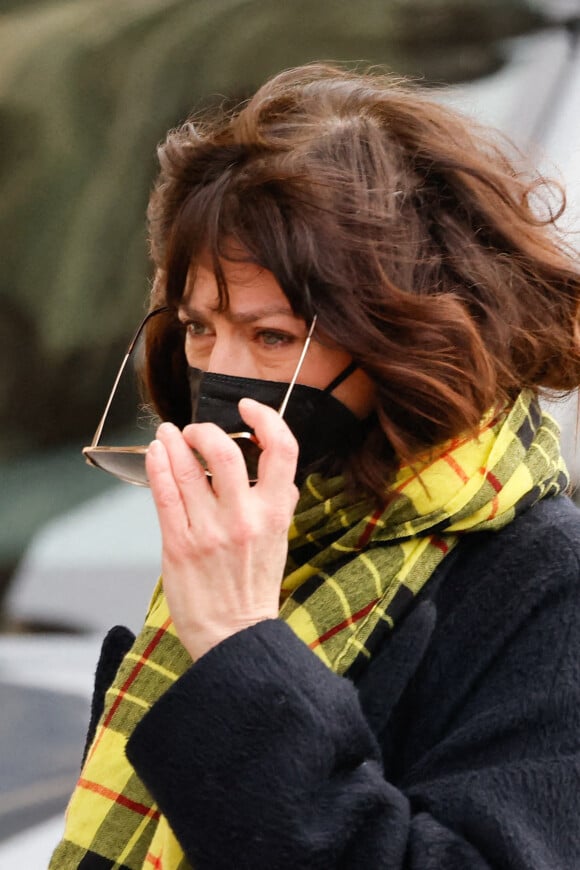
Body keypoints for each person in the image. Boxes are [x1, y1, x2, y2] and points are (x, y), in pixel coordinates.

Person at [51, 63, 580, 869]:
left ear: (401, 337)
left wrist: (235, 644)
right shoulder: (290, 533)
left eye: (270, 337)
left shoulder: (548, 590)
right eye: (198, 328)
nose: (219, 375)